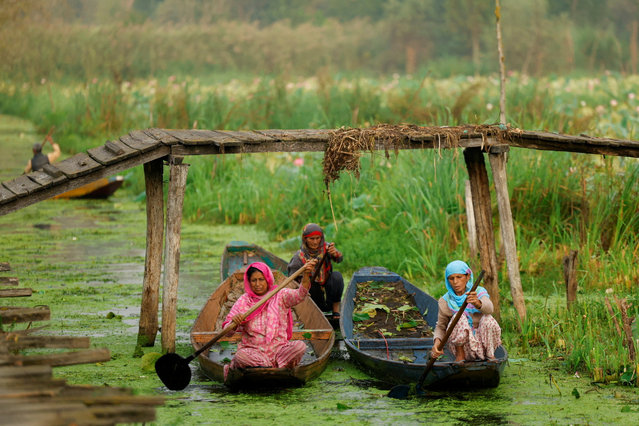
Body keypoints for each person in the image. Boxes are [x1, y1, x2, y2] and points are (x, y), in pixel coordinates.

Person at [222, 259, 318, 380]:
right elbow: (228, 332)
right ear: (249, 282)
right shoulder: (244, 301)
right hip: (254, 353)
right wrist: (234, 323)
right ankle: (272, 367)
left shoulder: (280, 294)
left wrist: (306, 275)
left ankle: (270, 366)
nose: (257, 284)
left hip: (279, 351)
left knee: (300, 347)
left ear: (267, 279)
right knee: (241, 356)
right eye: (254, 280)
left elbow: (300, 295)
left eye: (261, 279)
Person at [431, 260, 501, 363]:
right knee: (458, 317)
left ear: (467, 277)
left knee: (488, 318)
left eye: (459, 277)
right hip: (463, 347)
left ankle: (490, 355)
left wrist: (477, 303)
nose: (455, 282)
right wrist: (437, 343)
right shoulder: (445, 301)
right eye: (451, 278)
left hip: (482, 344)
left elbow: (490, 309)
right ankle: (460, 356)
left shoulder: (478, 292)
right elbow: (441, 327)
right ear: (448, 280)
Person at [287, 223, 344, 319]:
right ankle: (313, 313)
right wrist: (305, 275)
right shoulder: (299, 256)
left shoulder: (327, 248)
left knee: (337, 276)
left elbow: (339, 259)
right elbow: (292, 280)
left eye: (318, 238)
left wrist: (334, 253)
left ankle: (335, 310)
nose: (315, 242)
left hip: (326, 287)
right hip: (311, 292)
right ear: (305, 239)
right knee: (310, 285)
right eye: (311, 239)